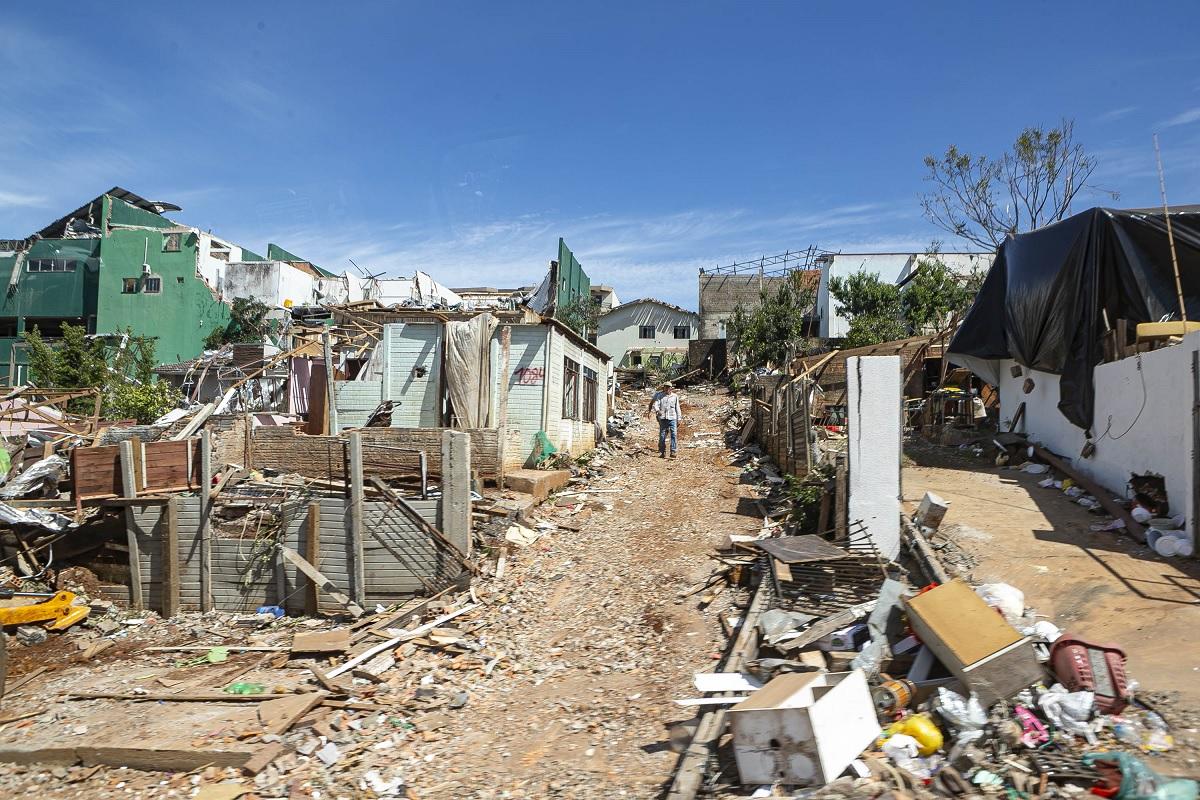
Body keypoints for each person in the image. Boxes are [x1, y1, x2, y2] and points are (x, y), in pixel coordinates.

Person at [646, 382, 682, 458]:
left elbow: (677, 408)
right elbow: (654, 404)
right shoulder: (659, 395)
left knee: (674, 434)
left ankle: (673, 451)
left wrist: (679, 418)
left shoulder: (675, 396)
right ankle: (662, 451)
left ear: (671, 388)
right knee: (662, 435)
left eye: (668, 387)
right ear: (663, 388)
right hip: (662, 418)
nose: (667, 389)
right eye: (665, 387)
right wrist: (657, 411)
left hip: (672, 417)